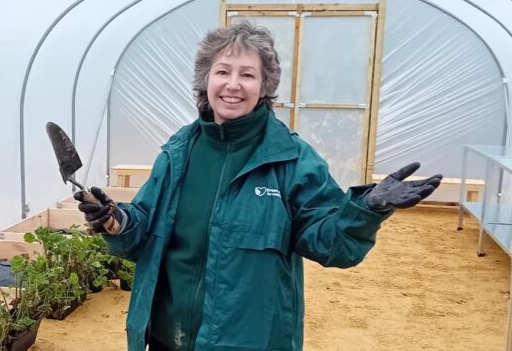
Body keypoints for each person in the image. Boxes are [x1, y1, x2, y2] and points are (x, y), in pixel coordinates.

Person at [75, 21, 442, 351]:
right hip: (164, 336)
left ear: (265, 86)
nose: (233, 85)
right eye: (223, 71)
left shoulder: (291, 158)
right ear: (206, 80)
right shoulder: (178, 152)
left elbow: (331, 243)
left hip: (249, 340)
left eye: (248, 75)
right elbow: (144, 228)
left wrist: (367, 208)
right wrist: (114, 220)